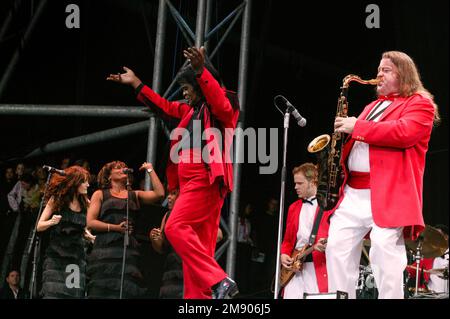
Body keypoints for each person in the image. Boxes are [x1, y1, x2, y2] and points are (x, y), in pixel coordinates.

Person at [107, 46, 240, 299]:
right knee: (197, 260)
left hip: (205, 180)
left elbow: (219, 101)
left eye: (188, 89)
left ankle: (221, 280)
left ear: (200, 86)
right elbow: (164, 106)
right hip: (190, 184)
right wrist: (136, 83)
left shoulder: (223, 106)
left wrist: (201, 71)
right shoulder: (190, 112)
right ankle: (205, 293)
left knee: (175, 227)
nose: (184, 94)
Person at [326, 51, 440, 299]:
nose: (379, 74)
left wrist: (357, 126)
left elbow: (403, 133)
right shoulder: (371, 107)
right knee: (336, 248)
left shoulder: (420, 104)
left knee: (384, 252)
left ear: (404, 74)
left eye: (386, 70)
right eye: (379, 69)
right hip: (353, 192)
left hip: (388, 192)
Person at [86, 161, 164, 299]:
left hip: (127, 251)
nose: (123, 169)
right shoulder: (100, 194)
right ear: (109, 176)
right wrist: (115, 228)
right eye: (118, 168)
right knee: (103, 289)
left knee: (125, 289)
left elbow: (159, 194)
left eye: (124, 167)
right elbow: (91, 222)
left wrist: (150, 170)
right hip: (106, 250)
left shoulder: (134, 195)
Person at [36, 165, 93, 298]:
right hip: (57, 255)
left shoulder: (86, 204)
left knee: (73, 293)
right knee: (55, 293)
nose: (88, 184)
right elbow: (39, 226)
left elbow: (83, 230)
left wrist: (91, 238)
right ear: (75, 182)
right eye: (84, 181)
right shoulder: (57, 200)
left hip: (76, 256)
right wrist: (52, 222)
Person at [280, 163, 329, 298]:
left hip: (318, 266)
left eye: (300, 183)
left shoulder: (328, 205)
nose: (296, 187)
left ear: (313, 182)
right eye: (295, 183)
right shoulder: (293, 207)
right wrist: (283, 254)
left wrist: (325, 244)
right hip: (295, 268)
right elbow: (288, 240)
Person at [406, 224, 449, 295]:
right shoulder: (428, 256)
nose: (434, 238)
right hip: (430, 295)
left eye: (437, 235)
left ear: (446, 237)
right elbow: (410, 270)